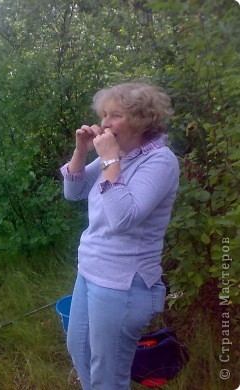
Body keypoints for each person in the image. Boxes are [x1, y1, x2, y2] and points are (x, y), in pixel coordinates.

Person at [60, 82, 179, 389]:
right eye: (103, 115)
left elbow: (122, 218)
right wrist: (81, 150)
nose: (105, 123)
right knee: (81, 351)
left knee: (108, 376)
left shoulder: (159, 160)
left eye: (115, 116)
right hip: (90, 271)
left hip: (124, 283)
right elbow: (73, 192)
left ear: (141, 120)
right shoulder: (116, 154)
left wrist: (111, 161)